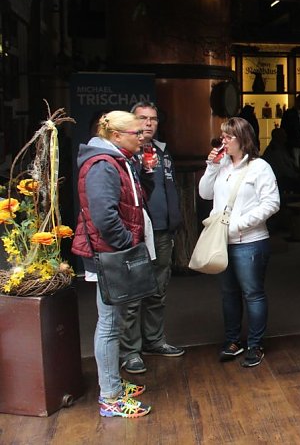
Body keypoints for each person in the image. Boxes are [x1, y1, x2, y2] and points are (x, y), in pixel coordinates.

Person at [71, 111, 153, 418]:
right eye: (136, 133)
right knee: (109, 324)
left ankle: (113, 384)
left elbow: (136, 202)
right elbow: (105, 217)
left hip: (111, 252)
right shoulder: (103, 165)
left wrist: (145, 173)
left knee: (114, 322)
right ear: (116, 136)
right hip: (109, 255)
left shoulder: (119, 161)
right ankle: (111, 398)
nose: (141, 136)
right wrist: (128, 246)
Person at [199, 117, 280, 368]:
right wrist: (211, 167)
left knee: (252, 293)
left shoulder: (260, 167)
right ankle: (233, 341)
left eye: (228, 137)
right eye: (222, 136)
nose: (223, 140)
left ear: (243, 139)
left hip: (250, 242)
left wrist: (238, 224)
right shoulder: (221, 165)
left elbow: (272, 203)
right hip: (223, 242)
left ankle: (255, 345)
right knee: (228, 294)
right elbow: (204, 193)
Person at [119, 102, 185, 376]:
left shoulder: (162, 151)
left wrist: (174, 221)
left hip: (162, 232)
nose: (148, 123)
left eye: (153, 119)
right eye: (143, 119)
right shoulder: (124, 154)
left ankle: (154, 341)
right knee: (133, 296)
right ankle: (130, 352)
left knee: (158, 292)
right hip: (136, 235)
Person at [283, 93, 300, 172]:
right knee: (295, 168)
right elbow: (285, 129)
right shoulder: (289, 114)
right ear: (298, 102)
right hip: (293, 144)